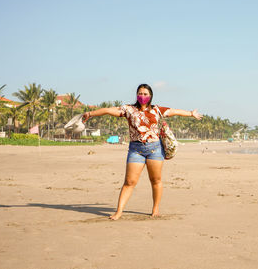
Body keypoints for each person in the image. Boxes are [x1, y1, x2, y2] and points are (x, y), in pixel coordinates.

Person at [82, 84, 202, 220]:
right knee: (129, 182)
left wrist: (191, 114)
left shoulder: (157, 110)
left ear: (150, 96)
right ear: (136, 95)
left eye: (145, 94)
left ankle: (155, 208)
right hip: (136, 150)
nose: (142, 96)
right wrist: (90, 114)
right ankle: (119, 211)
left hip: (155, 149)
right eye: (140, 93)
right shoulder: (128, 109)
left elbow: (174, 111)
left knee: (155, 180)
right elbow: (109, 110)